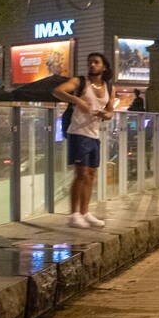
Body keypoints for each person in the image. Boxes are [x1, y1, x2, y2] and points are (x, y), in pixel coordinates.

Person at [53, 52, 115, 229]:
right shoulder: (79, 82)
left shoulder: (109, 87)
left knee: (91, 174)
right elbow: (57, 91)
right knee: (80, 174)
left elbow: (110, 112)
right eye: (90, 62)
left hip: (94, 134)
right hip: (78, 133)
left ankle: (85, 212)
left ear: (104, 67)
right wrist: (76, 100)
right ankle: (74, 214)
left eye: (96, 62)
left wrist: (106, 114)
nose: (92, 65)